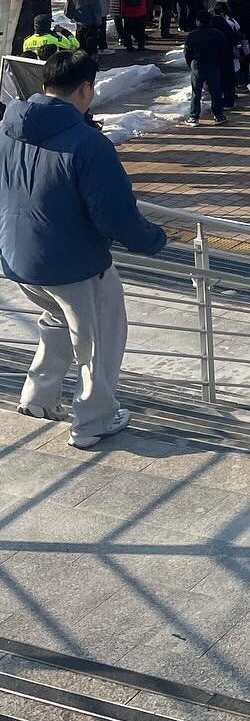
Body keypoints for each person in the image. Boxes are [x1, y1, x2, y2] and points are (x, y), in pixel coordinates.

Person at [0, 49, 166, 448]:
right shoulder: (88, 144)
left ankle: (38, 399)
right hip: (73, 262)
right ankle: (93, 420)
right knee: (98, 341)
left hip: (18, 257)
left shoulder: (8, 128)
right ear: (86, 88)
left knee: (56, 321)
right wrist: (153, 240)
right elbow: (115, 215)